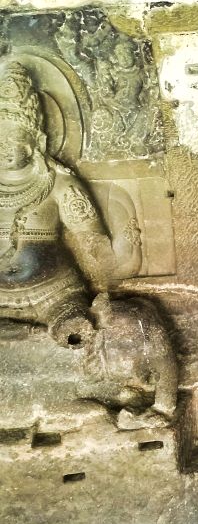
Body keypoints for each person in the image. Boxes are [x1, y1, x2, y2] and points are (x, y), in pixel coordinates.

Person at [0, 62, 132, 345]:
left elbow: (92, 241)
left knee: (74, 327)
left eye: (14, 138)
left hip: (54, 293)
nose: (4, 146)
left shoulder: (60, 184)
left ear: (37, 141)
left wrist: (106, 287)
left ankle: (43, 333)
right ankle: (33, 335)